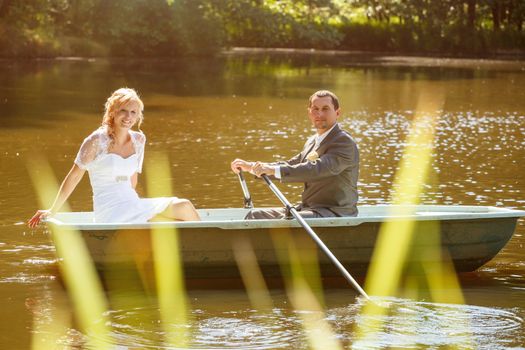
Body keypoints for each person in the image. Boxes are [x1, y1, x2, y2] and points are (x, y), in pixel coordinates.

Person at [29, 88, 200, 227]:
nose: (128, 117)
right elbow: (74, 177)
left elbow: (133, 181)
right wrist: (53, 210)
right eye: (123, 111)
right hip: (110, 210)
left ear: (138, 116)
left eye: (133, 112)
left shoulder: (139, 140)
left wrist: (141, 208)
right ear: (112, 112)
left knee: (184, 206)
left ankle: (202, 245)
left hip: (132, 204)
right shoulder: (96, 141)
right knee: (163, 222)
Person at [231, 90, 359, 219]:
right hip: (308, 209)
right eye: (315, 109)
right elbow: (293, 164)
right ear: (309, 112)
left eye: (325, 109)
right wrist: (252, 167)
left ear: (337, 113)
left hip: (335, 212)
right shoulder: (312, 141)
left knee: (286, 222)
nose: (319, 113)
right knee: (255, 215)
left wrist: (271, 170)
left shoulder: (343, 142)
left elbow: (317, 169)